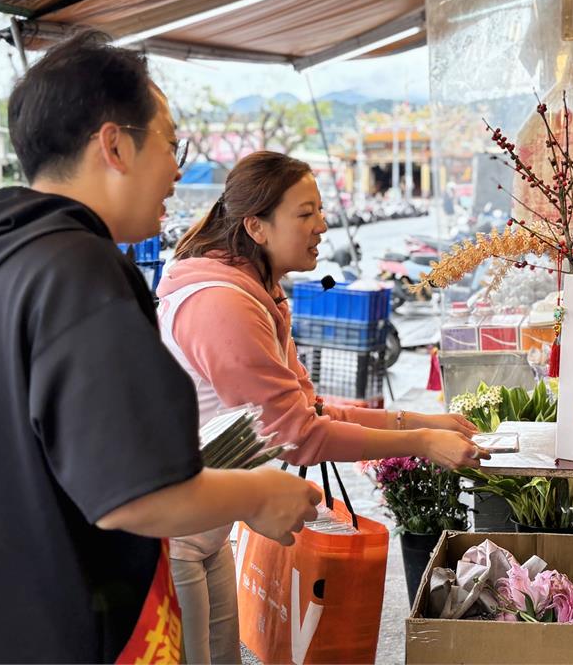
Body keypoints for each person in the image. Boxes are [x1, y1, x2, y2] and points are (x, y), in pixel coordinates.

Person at [0, 32, 320, 663]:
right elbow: (135, 493)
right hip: (59, 632)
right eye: (170, 143)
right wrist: (261, 495)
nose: (178, 171)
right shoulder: (77, 273)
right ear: (115, 144)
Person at [156, 151, 487, 663]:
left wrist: (420, 420)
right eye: (305, 212)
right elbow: (300, 437)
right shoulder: (222, 304)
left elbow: (309, 410)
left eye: (320, 210)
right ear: (256, 227)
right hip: (171, 538)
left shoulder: (258, 294)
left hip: (207, 531)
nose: (322, 224)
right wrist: (420, 443)